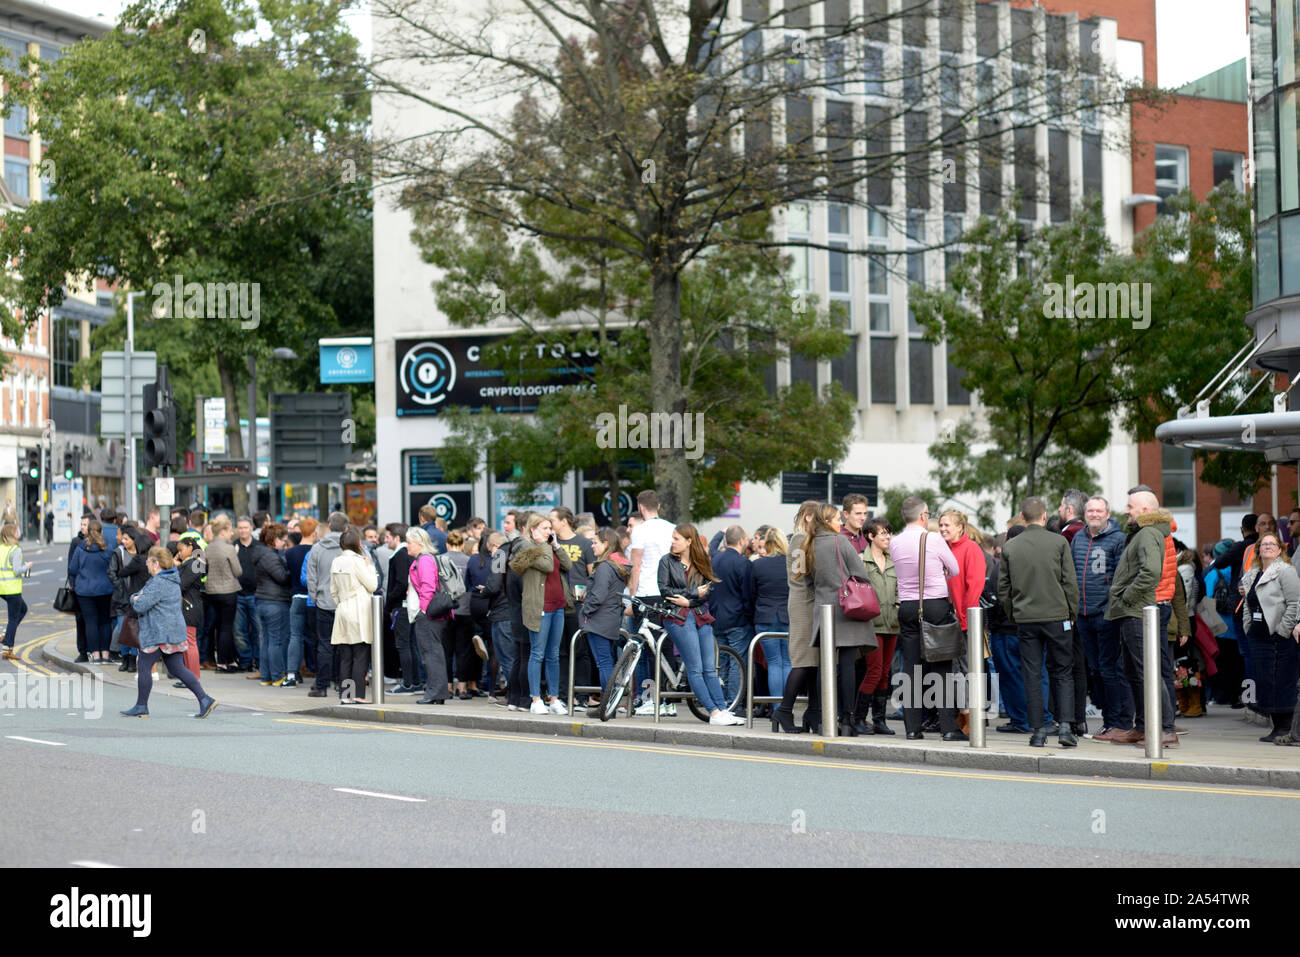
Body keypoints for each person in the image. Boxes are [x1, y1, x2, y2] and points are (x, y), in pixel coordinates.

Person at [997, 497, 1080, 748]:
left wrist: (1015, 614)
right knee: (1063, 671)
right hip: (1057, 616)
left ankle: (1038, 731)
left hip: (1026, 618)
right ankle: (1065, 727)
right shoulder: (1058, 542)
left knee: (1031, 674)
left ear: (1022, 517)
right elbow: (1069, 583)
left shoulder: (1010, 547)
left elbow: (1004, 588)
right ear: (1044, 516)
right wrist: (1071, 613)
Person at [1105, 490, 1179, 748]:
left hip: (1138, 610)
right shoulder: (1143, 532)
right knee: (1136, 672)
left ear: (1146, 510)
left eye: (1130, 506)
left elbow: (1150, 572)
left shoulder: (1148, 533)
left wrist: (1126, 596)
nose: (1126, 510)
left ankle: (1166, 729)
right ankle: (1143, 727)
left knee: (1148, 671)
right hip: (1135, 610)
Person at [890, 497, 964, 740]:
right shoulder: (932, 539)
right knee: (941, 667)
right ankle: (948, 728)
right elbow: (953, 569)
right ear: (923, 516)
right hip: (934, 606)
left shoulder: (896, 542)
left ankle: (912, 728)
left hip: (908, 607)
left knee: (910, 668)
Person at [800, 505, 878, 736]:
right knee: (847, 666)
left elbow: (807, 582)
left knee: (825, 667)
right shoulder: (840, 542)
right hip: (847, 609)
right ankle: (847, 719)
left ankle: (825, 717)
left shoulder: (809, 544)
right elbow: (861, 576)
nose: (839, 524)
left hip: (824, 609)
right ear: (827, 521)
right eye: (836, 519)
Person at [119, 547, 218, 718]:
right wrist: (137, 597)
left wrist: (134, 598)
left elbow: (141, 604)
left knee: (143, 666)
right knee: (178, 668)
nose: (146, 564)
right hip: (172, 632)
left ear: (156, 564)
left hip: (158, 633)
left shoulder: (158, 583)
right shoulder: (171, 579)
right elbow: (142, 597)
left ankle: (141, 706)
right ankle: (205, 699)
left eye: (149, 562)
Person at [658, 523, 741, 726]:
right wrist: (693, 595)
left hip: (700, 615)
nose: (673, 542)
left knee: (710, 668)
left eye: (676, 538)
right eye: (673, 538)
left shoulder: (701, 560)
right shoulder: (666, 561)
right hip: (678, 617)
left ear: (689, 541)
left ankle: (723, 710)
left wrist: (691, 600)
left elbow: (709, 590)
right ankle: (713, 713)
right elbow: (666, 591)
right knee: (695, 668)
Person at [1071, 496, 1132, 741]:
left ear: (1107, 514)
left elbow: (1120, 579)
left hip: (1106, 615)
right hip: (1083, 614)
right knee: (1095, 671)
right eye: (1090, 510)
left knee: (1111, 670)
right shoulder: (1078, 538)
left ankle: (1120, 721)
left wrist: (1110, 607)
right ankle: (1109, 721)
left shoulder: (1118, 539)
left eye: (1099, 510)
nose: (1094, 514)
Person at [510, 513, 573, 715]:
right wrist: (545, 544)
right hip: (540, 607)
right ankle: (536, 699)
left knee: (553, 654)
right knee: (537, 653)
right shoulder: (529, 550)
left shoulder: (549, 548)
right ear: (533, 530)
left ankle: (554, 698)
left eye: (550, 528)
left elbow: (568, 565)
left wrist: (556, 546)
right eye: (545, 528)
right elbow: (546, 566)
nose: (549, 532)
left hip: (558, 606)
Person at [1240, 532, 1300, 742]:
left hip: (1279, 637)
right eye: (1263, 544)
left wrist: (1283, 629)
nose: (1267, 547)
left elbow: (1294, 603)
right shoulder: (1252, 573)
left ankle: (1284, 728)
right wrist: (1248, 626)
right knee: (1265, 680)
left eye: (1271, 544)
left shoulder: (1286, 571)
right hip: (1258, 637)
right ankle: (1276, 727)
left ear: (1280, 549)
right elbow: (1249, 603)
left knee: (1281, 680)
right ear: (1258, 549)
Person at [852, 518, 898, 734]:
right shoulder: (861, 561)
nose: (887, 537)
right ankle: (859, 717)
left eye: (889, 533)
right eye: (882, 533)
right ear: (870, 536)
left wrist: (897, 606)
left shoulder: (893, 560)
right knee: (874, 670)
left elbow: (899, 588)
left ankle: (879, 720)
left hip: (892, 624)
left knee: (884, 673)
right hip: (872, 624)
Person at [580, 528, 631, 712]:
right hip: (610, 618)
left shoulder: (604, 567)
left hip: (599, 619)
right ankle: (610, 704)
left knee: (603, 663)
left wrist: (585, 610)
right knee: (607, 661)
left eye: (595, 542)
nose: (592, 545)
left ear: (606, 544)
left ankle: (608, 704)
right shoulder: (617, 565)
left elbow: (599, 595)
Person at [551, 507, 596, 704]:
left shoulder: (584, 544)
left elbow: (593, 573)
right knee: (559, 651)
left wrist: (590, 596)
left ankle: (582, 694)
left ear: (563, 521)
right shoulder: (551, 543)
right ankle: (562, 695)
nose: (550, 522)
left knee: (580, 649)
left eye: (552, 519)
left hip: (578, 604)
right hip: (557, 603)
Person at [330, 527, 378, 703]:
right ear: (357, 543)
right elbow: (372, 585)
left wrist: (342, 603)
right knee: (360, 655)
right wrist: (369, 567)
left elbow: (333, 591)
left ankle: (346, 696)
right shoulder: (358, 561)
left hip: (343, 608)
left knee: (346, 656)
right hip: (359, 609)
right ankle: (358, 695)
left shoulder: (336, 561)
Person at [709, 525, 754, 711]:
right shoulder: (743, 563)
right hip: (737, 620)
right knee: (737, 662)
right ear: (742, 541)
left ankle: (724, 702)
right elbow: (748, 595)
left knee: (723, 662)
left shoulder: (715, 560)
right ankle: (735, 704)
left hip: (717, 618)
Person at [305, 512, 348, 698]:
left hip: (324, 602)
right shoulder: (351, 547)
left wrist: (316, 598)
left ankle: (321, 686)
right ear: (346, 528)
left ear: (329, 526)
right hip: (345, 602)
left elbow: (311, 577)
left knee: (324, 645)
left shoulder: (317, 548)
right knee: (345, 645)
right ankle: (342, 684)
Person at [407, 526, 450, 705]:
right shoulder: (424, 559)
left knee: (431, 653)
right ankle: (436, 693)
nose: (407, 546)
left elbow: (428, 587)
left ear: (418, 543)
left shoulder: (424, 560)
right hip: (431, 614)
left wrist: (423, 611)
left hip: (429, 615)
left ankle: (435, 692)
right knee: (432, 652)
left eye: (409, 542)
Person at [751, 527, 791, 719]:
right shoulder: (791, 564)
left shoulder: (758, 565)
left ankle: (776, 708)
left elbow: (751, 593)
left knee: (774, 663)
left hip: (765, 618)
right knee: (788, 663)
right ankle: (787, 708)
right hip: (788, 617)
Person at [251, 523, 292, 686]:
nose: (284, 544)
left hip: (262, 600)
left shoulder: (260, 553)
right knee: (275, 641)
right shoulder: (270, 556)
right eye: (283, 540)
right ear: (275, 539)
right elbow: (282, 577)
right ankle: (276, 677)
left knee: (266, 640)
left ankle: (266, 677)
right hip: (275, 602)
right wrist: (290, 570)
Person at [69, 519, 115, 664]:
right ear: (101, 532)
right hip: (105, 590)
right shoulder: (107, 549)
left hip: (85, 591)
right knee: (105, 622)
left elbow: (72, 569)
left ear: (88, 532)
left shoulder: (80, 548)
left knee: (90, 623)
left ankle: (95, 656)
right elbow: (113, 569)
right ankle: (106, 655)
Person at [107, 526, 151, 673]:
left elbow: (122, 572)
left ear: (135, 541)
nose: (123, 541)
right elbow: (114, 573)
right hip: (123, 598)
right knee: (123, 630)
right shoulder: (118, 553)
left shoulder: (140, 559)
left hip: (136, 599)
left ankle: (132, 659)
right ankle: (125, 658)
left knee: (133, 631)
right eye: (122, 538)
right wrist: (120, 588)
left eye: (127, 539)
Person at [203, 516, 243, 672]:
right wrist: (236, 555)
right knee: (227, 627)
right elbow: (238, 571)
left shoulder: (208, 547)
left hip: (212, 591)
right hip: (228, 590)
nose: (232, 533)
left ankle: (228, 660)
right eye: (230, 530)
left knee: (219, 626)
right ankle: (223, 661)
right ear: (224, 531)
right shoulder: (229, 548)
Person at [383, 523, 419, 694]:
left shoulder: (400, 556)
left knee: (403, 645)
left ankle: (408, 683)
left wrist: (389, 603)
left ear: (397, 538)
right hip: (409, 605)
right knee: (411, 645)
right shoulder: (408, 555)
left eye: (388, 537)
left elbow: (400, 583)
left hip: (402, 606)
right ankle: (416, 681)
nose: (385, 540)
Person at [443, 528, 479, 699]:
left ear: (447, 544)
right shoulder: (469, 560)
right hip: (465, 610)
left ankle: (448, 686)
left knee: (446, 650)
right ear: (463, 544)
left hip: (446, 610)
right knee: (464, 651)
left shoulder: (440, 560)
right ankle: (463, 687)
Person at [284, 517, 318, 687]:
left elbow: (286, 575)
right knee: (316, 637)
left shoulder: (290, 553)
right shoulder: (317, 551)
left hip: (297, 596)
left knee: (295, 636)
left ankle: (292, 673)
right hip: (314, 598)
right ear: (314, 533)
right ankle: (318, 671)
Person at [172, 537, 204, 683]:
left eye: (181, 550)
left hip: (189, 606)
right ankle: (189, 677)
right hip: (190, 605)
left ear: (190, 548)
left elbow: (182, 584)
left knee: (189, 642)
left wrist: (176, 567)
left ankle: (193, 677)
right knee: (186, 642)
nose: (179, 554)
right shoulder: (195, 563)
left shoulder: (193, 564)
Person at [233, 516, 261, 672]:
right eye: (240, 527)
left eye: (245, 527)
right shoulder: (233, 547)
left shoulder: (258, 547)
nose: (243, 530)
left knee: (257, 630)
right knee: (239, 631)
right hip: (238, 594)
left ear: (251, 528)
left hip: (256, 594)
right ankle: (245, 661)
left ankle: (258, 661)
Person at [0, 523, 32, 659]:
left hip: (2, 588)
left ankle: (6, 636)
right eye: (16, 530)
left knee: (23, 609)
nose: (18, 532)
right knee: (13, 619)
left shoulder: (1, 548)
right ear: (12, 534)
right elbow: (17, 571)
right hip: (12, 588)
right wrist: (28, 566)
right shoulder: (16, 550)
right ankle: (7, 648)